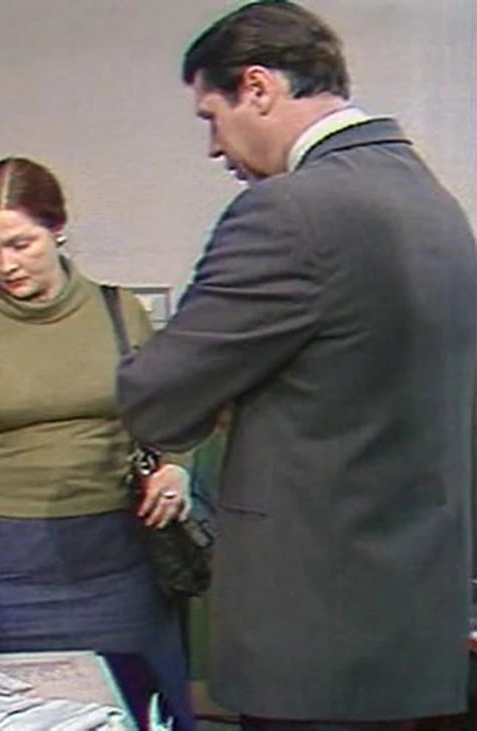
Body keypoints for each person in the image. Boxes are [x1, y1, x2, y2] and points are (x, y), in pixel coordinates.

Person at [117, 3, 476, 730]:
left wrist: (228, 392)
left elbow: (154, 396)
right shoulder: (435, 204)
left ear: (257, 87)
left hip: (312, 630)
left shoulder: (289, 211)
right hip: (406, 621)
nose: (213, 147)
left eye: (211, 117)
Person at [0, 156, 195, 729]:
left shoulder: (120, 313)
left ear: (58, 229)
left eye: (21, 244)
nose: (6, 265)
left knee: (135, 709)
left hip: (116, 556)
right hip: (7, 562)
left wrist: (178, 466)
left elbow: (170, 413)